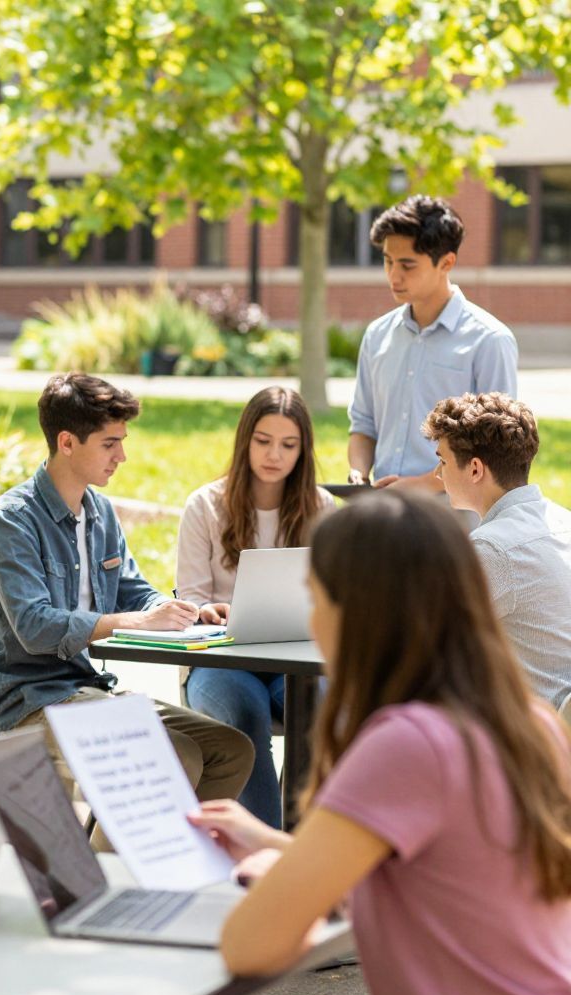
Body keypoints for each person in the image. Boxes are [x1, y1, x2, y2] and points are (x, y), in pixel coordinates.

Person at [191, 491, 571, 995]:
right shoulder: (530, 723)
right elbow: (427, 878)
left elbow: (248, 947)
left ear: (359, 614)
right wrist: (273, 842)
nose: (312, 622)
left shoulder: (408, 745)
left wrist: (272, 875)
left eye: (315, 599)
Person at [0, 372, 254, 847]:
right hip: (30, 701)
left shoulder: (100, 513)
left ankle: (172, 863)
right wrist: (134, 621)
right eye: (110, 444)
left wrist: (181, 611)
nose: (121, 456)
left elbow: (132, 591)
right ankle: (107, 877)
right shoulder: (13, 520)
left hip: (89, 689)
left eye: (121, 442)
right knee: (172, 755)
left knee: (230, 750)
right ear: (67, 442)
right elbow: (34, 627)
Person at [175, 386, 333, 827]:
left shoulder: (320, 506)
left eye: (288, 445)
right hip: (219, 661)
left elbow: (331, 596)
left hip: (294, 661)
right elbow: (190, 598)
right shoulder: (205, 506)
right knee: (245, 711)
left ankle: (301, 835)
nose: (274, 455)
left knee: (322, 707)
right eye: (263, 441)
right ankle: (264, 842)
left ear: (303, 450)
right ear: (245, 439)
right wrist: (206, 610)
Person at [347, 194, 517, 492]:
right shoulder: (377, 335)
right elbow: (363, 424)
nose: (394, 275)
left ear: (446, 262)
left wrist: (419, 486)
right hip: (383, 508)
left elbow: (495, 448)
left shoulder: (489, 341)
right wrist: (358, 475)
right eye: (388, 261)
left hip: (453, 515)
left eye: (407, 265)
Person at [422, 392, 571, 717]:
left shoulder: (491, 548)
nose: (437, 474)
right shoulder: (564, 521)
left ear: (475, 469)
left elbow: (424, 639)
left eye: (443, 461)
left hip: (537, 732)